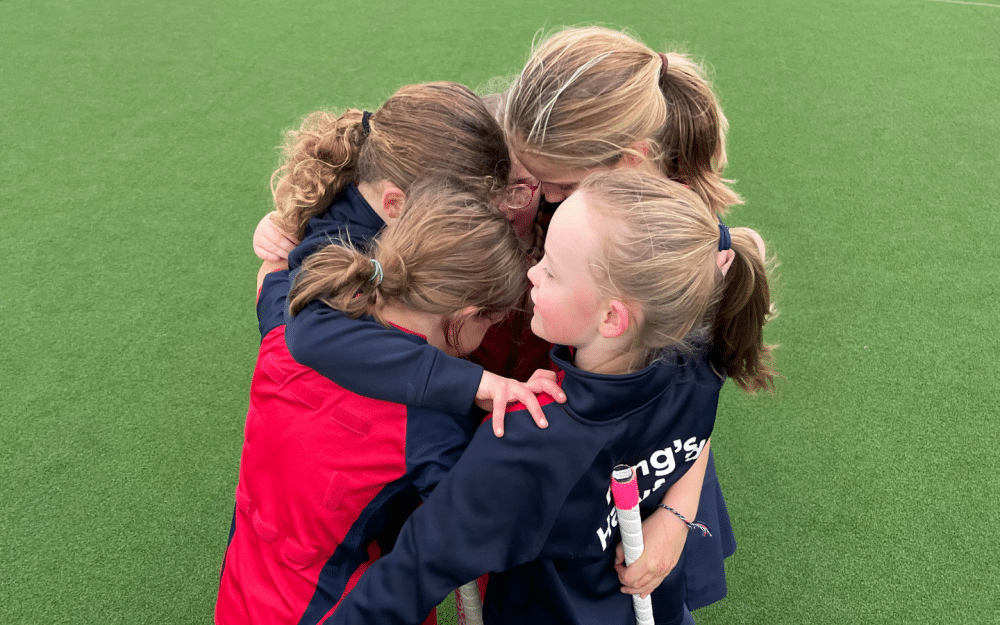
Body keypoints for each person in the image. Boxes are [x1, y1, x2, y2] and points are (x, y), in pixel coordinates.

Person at [328, 169, 778, 625]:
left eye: (553, 270)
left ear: (611, 318)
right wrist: (677, 513)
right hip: (652, 607)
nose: (533, 272)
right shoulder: (700, 359)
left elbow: (409, 576)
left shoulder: (527, 439)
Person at [502, 26, 761, 608]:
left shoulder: (687, 261)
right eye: (532, 179)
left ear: (630, 162)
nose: (542, 198)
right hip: (564, 451)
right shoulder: (571, 180)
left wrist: (676, 515)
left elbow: (693, 400)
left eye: (559, 185)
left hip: (650, 473)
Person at [215, 176, 531, 625]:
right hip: (341, 609)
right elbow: (488, 529)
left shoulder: (293, 321)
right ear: (466, 315)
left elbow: (271, 273)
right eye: (490, 323)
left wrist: (276, 227)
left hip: (241, 594)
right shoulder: (436, 424)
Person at [251, 81, 564, 430]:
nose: (495, 214)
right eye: (465, 211)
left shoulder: (405, 181)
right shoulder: (339, 240)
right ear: (397, 204)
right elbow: (309, 332)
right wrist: (472, 384)